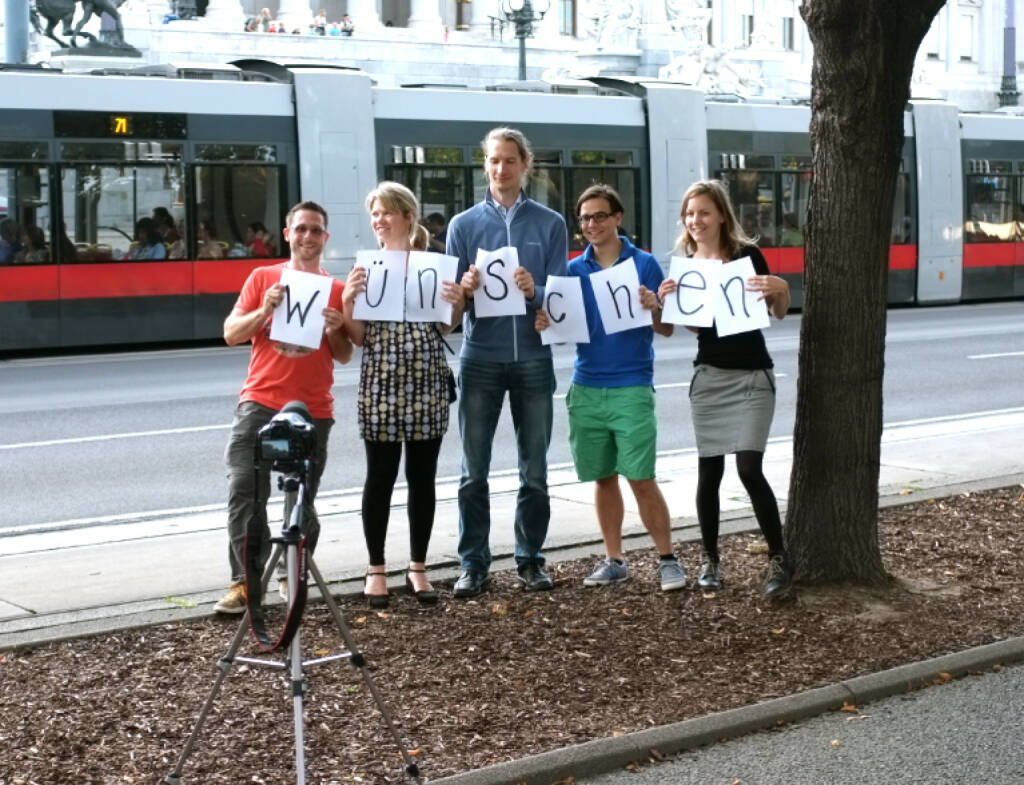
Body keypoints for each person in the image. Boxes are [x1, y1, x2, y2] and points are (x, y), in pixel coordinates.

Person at [536, 184, 686, 592]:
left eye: (600, 216)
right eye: (584, 218)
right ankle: (614, 559)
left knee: (641, 477)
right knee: (602, 478)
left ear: (618, 218)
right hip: (586, 386)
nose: (591, 225)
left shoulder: (645, 263)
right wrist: (547, 323)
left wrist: (655, 306)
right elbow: (564, 324)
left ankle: (668, 560)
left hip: (632, 385)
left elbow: (667, 327)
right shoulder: (572, 269)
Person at [213, 201, 354, 614]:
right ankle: (244, 582)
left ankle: (294, 575)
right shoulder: (263, 278)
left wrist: (337, 328)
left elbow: (344, 354)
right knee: (244, 488)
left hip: (313, 409)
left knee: (302, 499)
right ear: (288, 233)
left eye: (316, 230)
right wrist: (265, 310)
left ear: (325, 238)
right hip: (260, 401)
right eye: (301, 229)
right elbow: (230, 334)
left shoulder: (336, 289)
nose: (308, 237)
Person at [446, 127, 568, 597]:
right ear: (486, 165)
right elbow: (450, 311)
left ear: (525, 165)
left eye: (509, 161)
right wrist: (465, 291)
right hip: (480, 359)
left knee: (533, 470)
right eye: (494, 160)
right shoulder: (463, 225)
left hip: (533, 360)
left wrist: (535, 290)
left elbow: (560, 301)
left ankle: (530, 559)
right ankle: (473, 563)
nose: (501, 169)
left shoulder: (551, 224)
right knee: (472, 470)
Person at [657, 179, 792, 599]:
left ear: (720, 216)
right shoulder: (687, 265)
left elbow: (779, 312)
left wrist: (781, 288)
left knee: (749, 468)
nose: (695, 220)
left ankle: (779, 558)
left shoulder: (746, 256)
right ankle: (711, 560)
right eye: (689, 213)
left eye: (703, 212)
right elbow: (699, 328)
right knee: (709, 472)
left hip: (752, 376)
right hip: (710, 377)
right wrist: (669, 303)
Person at [341, 182, 465, 607]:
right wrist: (346, 302)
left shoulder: (431, 264)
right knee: (379, 477)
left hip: (426, 382)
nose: (379, 220)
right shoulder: (366, 268)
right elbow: (358, 338)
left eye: (387, 212)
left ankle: (418, 567)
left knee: (422, 478)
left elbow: (446, 326)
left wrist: (457, 301)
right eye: (374, 214)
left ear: (408, 216)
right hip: (380, 383)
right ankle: (376, 568)